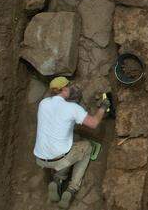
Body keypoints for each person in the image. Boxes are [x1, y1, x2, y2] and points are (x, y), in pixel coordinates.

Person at [33, 77, 107, 209]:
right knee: (86, 147)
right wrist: (102, 108)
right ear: (65, 89)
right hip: (59, 158)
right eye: (69, 86)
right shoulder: (72, 108)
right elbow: (94, 123)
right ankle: (72, 189)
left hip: (40, 158)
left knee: (67, 146)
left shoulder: (43, 103)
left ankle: (58, 179)